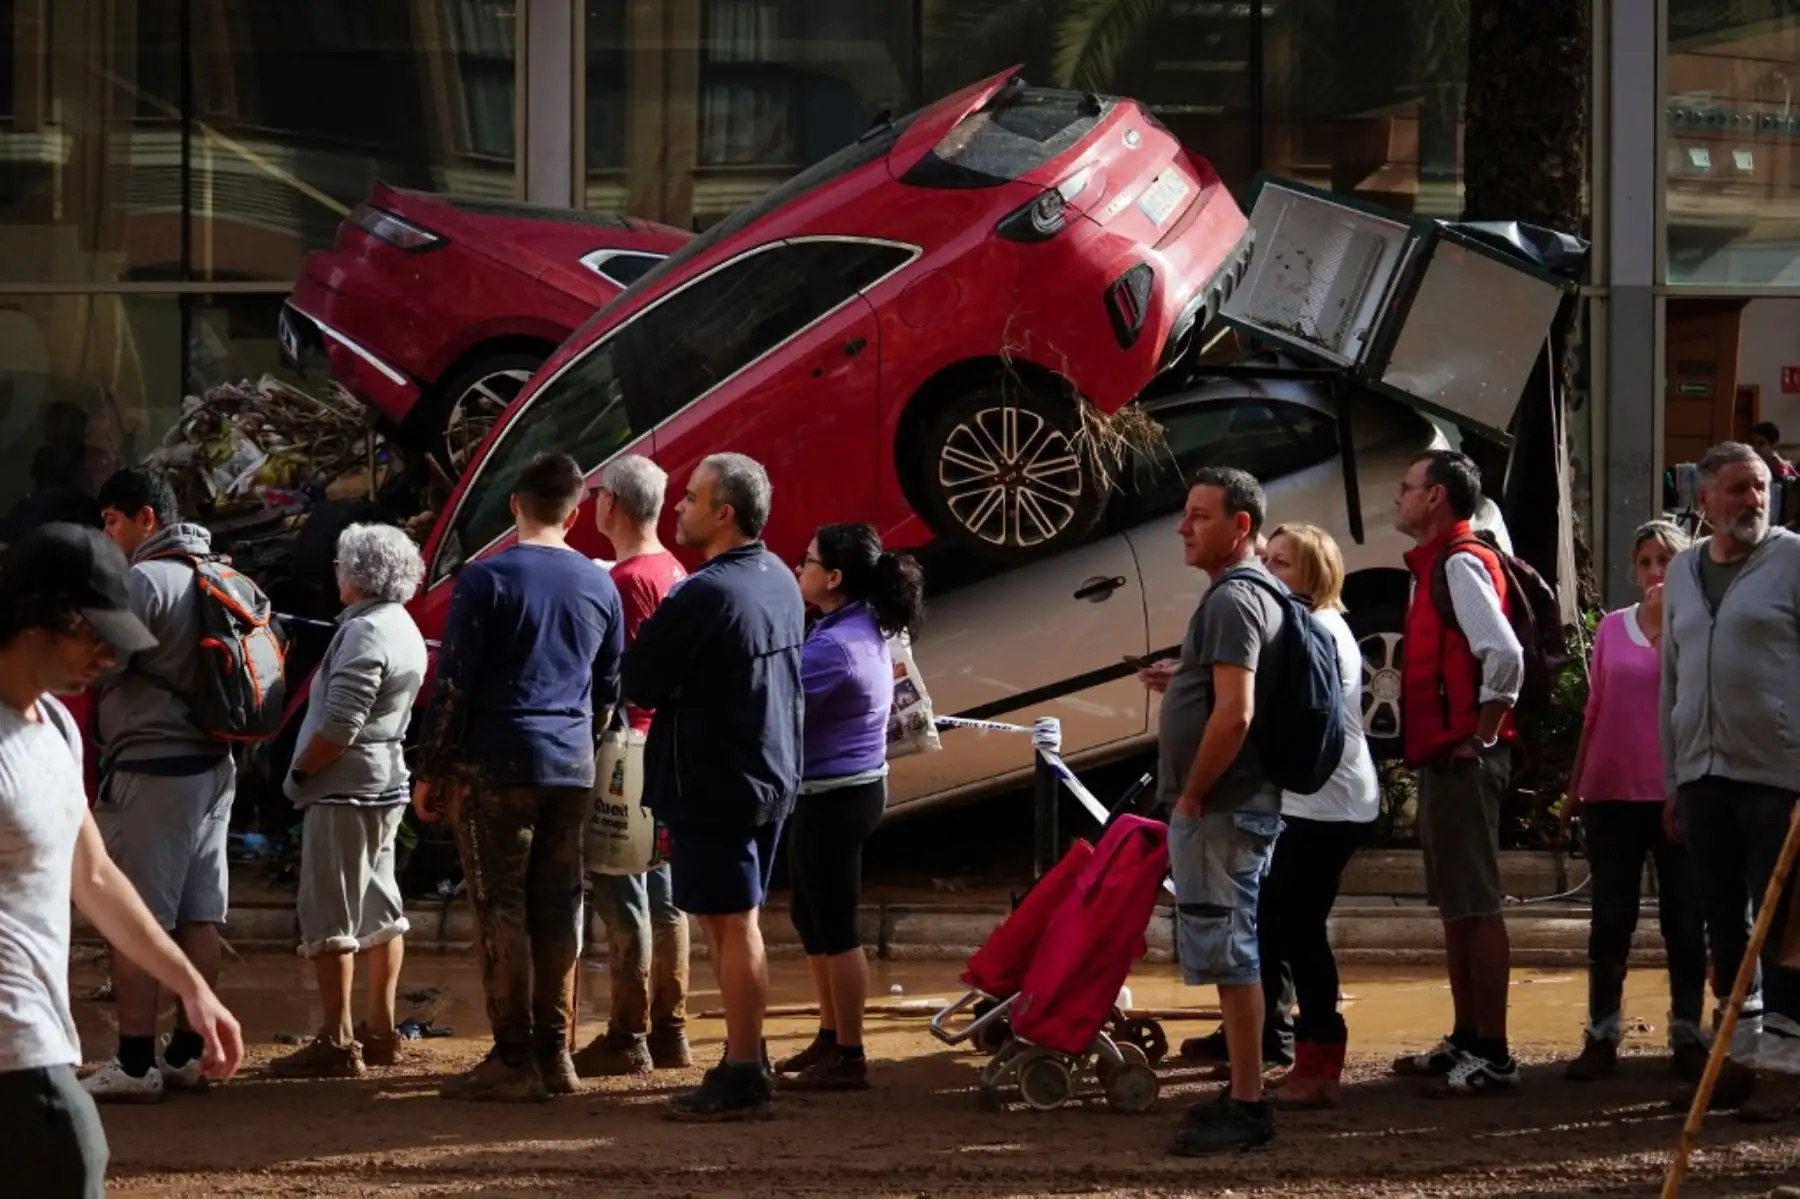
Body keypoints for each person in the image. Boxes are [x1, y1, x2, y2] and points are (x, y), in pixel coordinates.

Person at [0, 523, 244, 1198]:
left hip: (41, 1039)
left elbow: (98, 875)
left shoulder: (57, 726)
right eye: (95, 635)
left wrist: (191, 987)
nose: (108, 657)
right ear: (39, 621)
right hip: (16, 1050)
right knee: (73, 1146)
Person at [413, 452, 626, 1102]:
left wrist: (432, 765)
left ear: (514, 503)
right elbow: (609, 689)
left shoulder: (485, 578)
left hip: (498, 762)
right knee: (560, 904)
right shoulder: (600, 585)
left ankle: (511, 1055)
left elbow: (453, 681)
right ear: (577, 507)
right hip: (570, 761)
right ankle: (554, 1053)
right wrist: (581, 745)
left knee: (500, 904)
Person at [624, 452, 804, 1121]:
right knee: (737, 921)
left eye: (691, 497)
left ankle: (743, 1069)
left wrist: (670, 679)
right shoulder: (779, 575)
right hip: (765, 771)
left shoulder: (705, 592)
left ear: (723, 513)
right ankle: (746, 1056)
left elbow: (638, 679)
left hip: (717, 779)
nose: (678, 506)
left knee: (730, 925)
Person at [1140, 466, 1287, 1155]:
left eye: (1199, 515)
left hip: (1225, 804)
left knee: (1233, 952)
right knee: (1234, 947)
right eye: (1185, 513)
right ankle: (1242, 1090)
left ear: (1241, 525)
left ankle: (1250, 1104)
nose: (1183, 526)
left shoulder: (1234, 600)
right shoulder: (1243, 597)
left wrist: (1194, 791)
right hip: (1231, 803)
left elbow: (1236, 713)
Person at [83, 467, 241, 1103]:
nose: (108, 534)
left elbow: (97, 661)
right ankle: (185, 1052)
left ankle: (134, 1061)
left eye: (113, 521)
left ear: (147, 518)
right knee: (200, 913)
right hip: (215, 767)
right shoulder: (221, 573)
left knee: (138, 919)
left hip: (154, 770)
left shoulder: (144, 579)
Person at [1661, 440, 1800, 1121]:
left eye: (1762, 487)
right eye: (1739, 488)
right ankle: (1737, 1059)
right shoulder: (1684, 571)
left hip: (1780, 773)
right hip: (1703, 774)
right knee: (1724, 925)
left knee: (1785, 930)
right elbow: (1674, 677)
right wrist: (1673, 775)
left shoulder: (1794, 559)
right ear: (1705, 497)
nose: (1753, 500)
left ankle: (1787, 1066)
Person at [271, 523, 430, 1079]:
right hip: (384, 780)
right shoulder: (401, 625)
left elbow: (341, 723)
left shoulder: (365, 633)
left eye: (342, 564)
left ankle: (337, 1037)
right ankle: (380, 1029)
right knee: (381, 909)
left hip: (347, 784)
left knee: (331, 913)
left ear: (358, 574)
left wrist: (300, 770)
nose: (336, 572)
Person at [1389, 450, 1524, 1097]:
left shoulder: (1461, 563)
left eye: (1408, 486)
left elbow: (1504, 653)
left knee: (1475, 902)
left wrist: (1482, 733)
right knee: (1454, 906)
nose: (1398, 495)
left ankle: (1494, 1051)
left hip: (1465, 758)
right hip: (1444, 759)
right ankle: (1467, 1036)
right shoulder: (1434, 567)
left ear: (1437, 497)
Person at [1559, 520, 1710, 1084]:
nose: (1654, 572)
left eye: (1666, 561)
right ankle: (1601, 1035)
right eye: (1646, 561)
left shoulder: (1696, 630)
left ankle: (1688, 1035)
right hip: (1612, 795)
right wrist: (1573, 793)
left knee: (1684, 919)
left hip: (1677, 794)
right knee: (1610, 919)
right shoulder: (1611, 630)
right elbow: (1594, 715)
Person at [776, 523, 925, 1092]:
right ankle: (831, 1034)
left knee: (835, 925)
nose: (799, 567)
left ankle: (850, 1053)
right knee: (811, 916)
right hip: (838, 792)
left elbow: (775, 708)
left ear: (834, 578)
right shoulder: (854, 625)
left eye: (807, 560)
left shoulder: (834, 645)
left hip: (835, 797)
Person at [572, 454, 693, 1078]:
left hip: (626, 749)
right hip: (664, 747)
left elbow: (609, 675)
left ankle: (629, 1032)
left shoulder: (623, 581)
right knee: (664, 894)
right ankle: (669, 1028)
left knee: (622, 892)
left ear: (612, 504)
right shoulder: (671, 567)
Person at [1257, 523, 1380, 1109]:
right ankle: (1281, 1041)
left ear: (1314, 574)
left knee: (1297, 928)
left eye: (1283, 564)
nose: (1270, 571)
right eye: (1269, 560)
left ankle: (1319, 1061)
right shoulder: (1308, 626)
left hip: (1329, 804)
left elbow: (1296, 713)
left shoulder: (1321, 630)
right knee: (1279, 922)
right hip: (1313, 800)